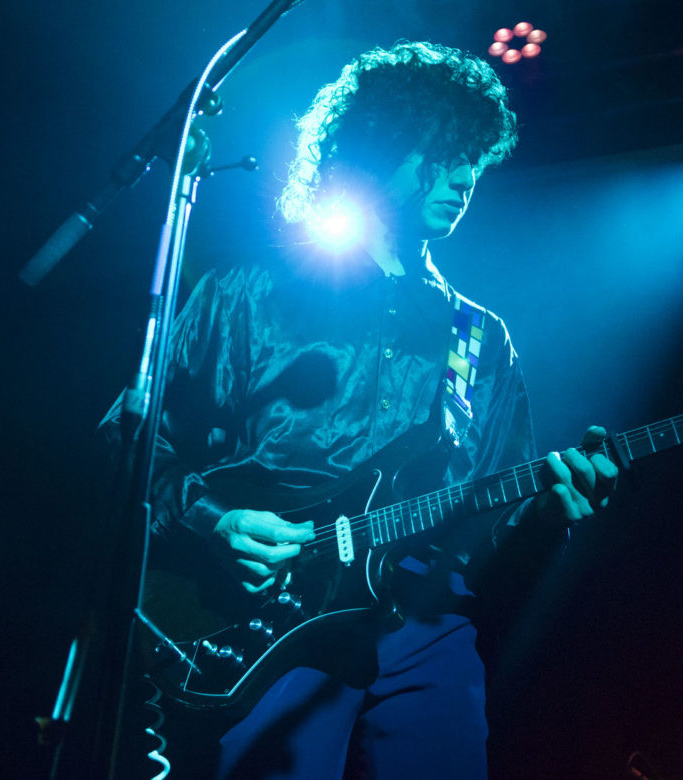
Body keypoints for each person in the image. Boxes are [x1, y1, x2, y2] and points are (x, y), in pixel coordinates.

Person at [102, 41, 618, 779]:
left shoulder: (482, 340)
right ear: (376, 151)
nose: (464, 175)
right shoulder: (250, 294)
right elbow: (133, 448)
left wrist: (552, 513)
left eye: (473, 153)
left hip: (428, 630)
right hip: (267, 623)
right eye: (441, 151)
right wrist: (217, 521)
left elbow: (494, 532)